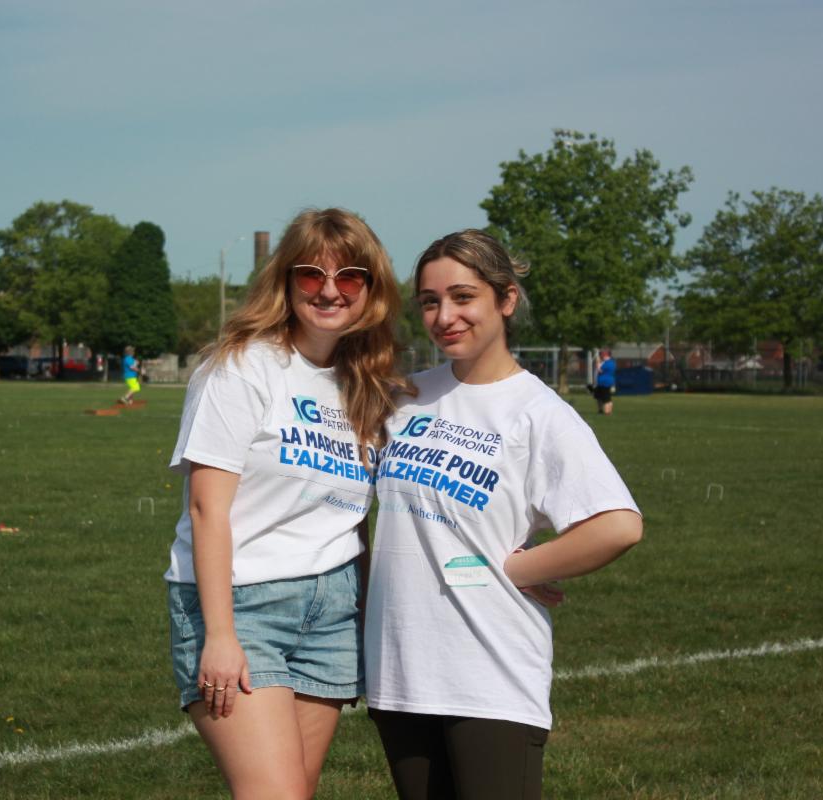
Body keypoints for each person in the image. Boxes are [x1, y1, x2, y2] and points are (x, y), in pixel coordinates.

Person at [365, 229, 642, 800]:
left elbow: (617, 524)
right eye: (430, 302)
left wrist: (518, 568)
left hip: (489, 673)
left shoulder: (538, 413)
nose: (445, 317)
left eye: (463, 297)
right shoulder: (405, 396)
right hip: (399, 670)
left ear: (506, 299)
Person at [165, 207, 410, 798]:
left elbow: (360, 517)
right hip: (243, 604)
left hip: (333, 611)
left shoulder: (367, 383)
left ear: (370, 289)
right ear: (285, 279)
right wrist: (220, 634)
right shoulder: (241, 367)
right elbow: (206, 510)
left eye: (349, 277)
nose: (329, 290)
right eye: (311, 274)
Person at [592, 348, 616, 415]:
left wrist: (598, 364)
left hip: (605, 382)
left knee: (606, 398)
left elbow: (600, 370)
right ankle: (602, 410)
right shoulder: (608, 362)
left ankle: (607, 411)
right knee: (600, 397)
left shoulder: (608, 363)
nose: (601, 355)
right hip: (601, 382)